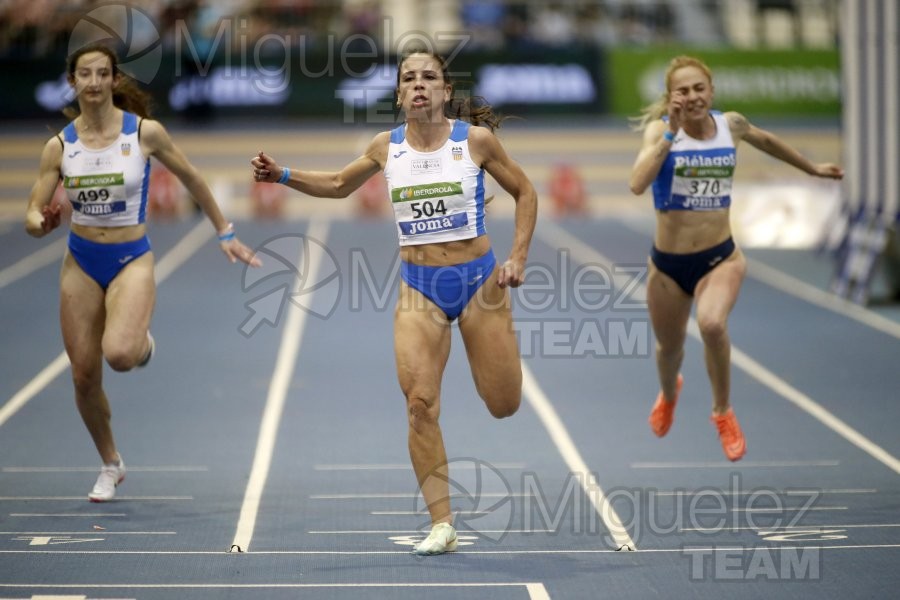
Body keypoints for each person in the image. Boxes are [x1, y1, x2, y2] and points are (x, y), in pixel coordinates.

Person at [250, 49, 537, 555]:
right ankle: (442, 523)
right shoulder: (388, 147)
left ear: (446, 92)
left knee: (504, 404)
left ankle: (497, 372)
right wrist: (283, 176)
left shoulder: (476, 142)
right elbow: (340, 185)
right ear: (400, 93)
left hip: (479, 284)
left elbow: (526, 192)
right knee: (419, 405)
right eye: (410, 78)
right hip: (418, 287)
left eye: (430, 77)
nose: (419, 84)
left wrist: (516, 256)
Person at [24, 43, 261, 502]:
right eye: (84, 75)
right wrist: (42, 222)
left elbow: (192, 177)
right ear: (72, 83)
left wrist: (224, 232)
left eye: (101, 74)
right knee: (83, 375)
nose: (93, 82)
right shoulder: (59, 147)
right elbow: (33, 214)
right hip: (81, 261)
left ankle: (141, 343)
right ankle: (111, 463)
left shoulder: (144, 134)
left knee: (120, 354)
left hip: (132, 257)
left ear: (114, 80)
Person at [628, 55, 842, 462]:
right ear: (671, 97)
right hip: (668, 267)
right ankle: (670, 395)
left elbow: (767, 141)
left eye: (699, 88)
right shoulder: (660, 132)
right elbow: (637, 183)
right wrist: (671, 135)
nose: (692, 97)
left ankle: (722, 411)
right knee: (668, 349)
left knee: (711, 324)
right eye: (683, 90)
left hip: (720, 257)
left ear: (711, 91)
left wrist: (811, 168)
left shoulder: (732, 125)